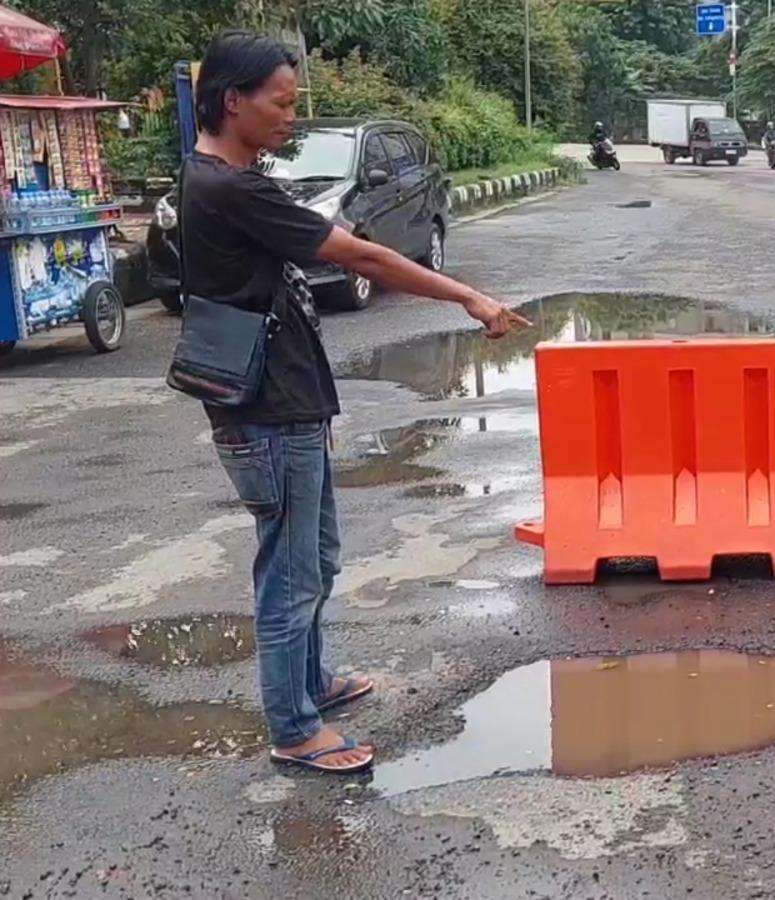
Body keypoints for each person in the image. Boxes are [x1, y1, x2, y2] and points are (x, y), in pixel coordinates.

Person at [183, 31, 529, 775]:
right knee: (291, 571)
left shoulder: (225, 176)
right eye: (280, 102)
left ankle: (309, 683)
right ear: (234, 99)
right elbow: (363, 256)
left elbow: (332, 240)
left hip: (287, 405)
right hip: (267, 412)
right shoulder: (229, 188)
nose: (290, 115)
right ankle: (294, 726)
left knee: (317, 557)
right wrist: (469, 295)